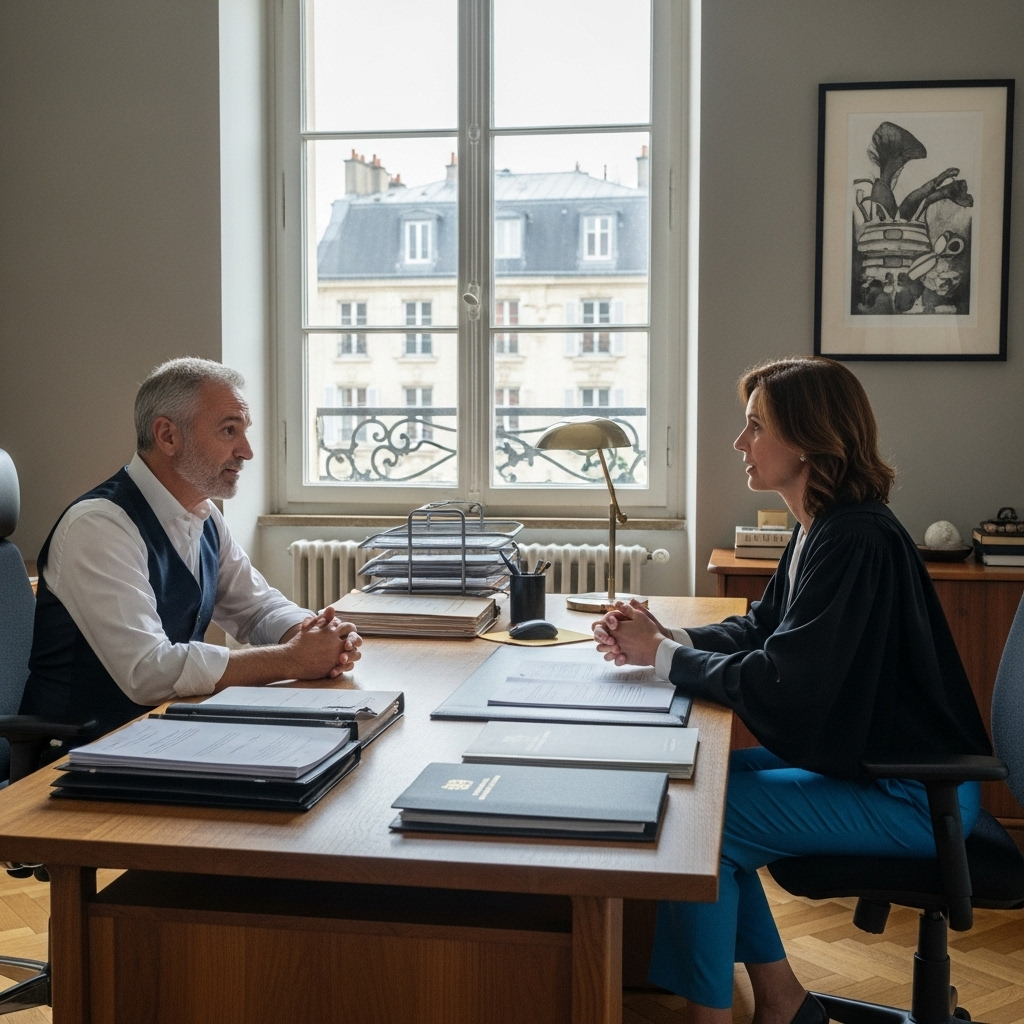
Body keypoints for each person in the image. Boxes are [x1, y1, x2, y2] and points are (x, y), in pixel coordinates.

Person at [593, 356, 991, 1024]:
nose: (739, 443)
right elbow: (766, 629)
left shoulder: (854, 539)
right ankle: (782, 1003)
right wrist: (670, 639)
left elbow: (786, 682)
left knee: (699, 826)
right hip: (881, 764)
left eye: (755, 427)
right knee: (698, 787)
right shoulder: (823, 526)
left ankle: (716, 1015)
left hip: (917, 793)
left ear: (806, 439)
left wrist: (658, 655)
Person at [21, 357, 362, 749]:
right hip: (82, 757)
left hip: (167, 737)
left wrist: (315, 635)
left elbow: (258, 608)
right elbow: (148, 671)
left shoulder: (204, 517)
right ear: (167, 436)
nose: (247, 451)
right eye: (229, 430)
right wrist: (292, 659)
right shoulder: (98, 526)